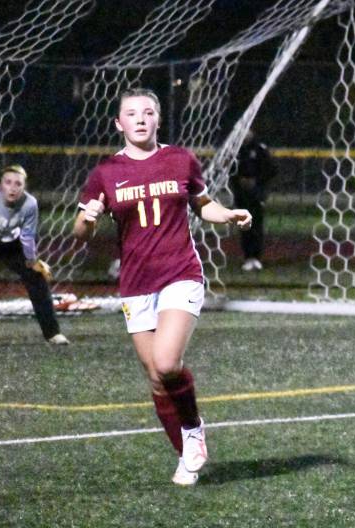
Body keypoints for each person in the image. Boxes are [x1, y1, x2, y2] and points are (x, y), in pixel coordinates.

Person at [72, 87, 251, 486]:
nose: (140, 118)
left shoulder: (180, 159)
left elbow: (204, 204)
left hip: (180, 273)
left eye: (148, 112)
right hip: (136, 284)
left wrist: (228, 215)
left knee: (168, 362)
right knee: (156, 376)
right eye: (131, 113)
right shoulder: (106, 173)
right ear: (119, 123)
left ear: (157, 120)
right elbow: (80, 231)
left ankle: (193, 430)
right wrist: (89, 216)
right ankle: (187, 452)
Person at [0, 164, 69, 345]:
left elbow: (27, 236)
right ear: (0, 185)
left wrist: (32, 261)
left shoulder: (29, 204)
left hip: (8, 243)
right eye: (8, 182)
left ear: (24, 187)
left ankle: (53, 333)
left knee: (36, 277)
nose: (12, 187)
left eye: (18, 184)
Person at [232, 129, 276, 271]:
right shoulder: (237, 150)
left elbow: (271, 170)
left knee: (256, 225)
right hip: (242, 196)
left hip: (256, 195)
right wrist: (239, 182)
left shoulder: (260, 149)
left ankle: (256, 257)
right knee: (244, 226)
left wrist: (256, 182)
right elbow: (231, 171)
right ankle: (247, 257)